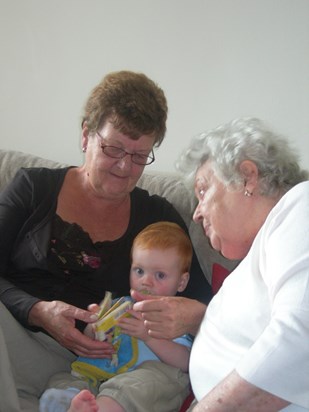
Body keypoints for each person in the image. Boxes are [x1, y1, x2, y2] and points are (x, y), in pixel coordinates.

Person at [0, 70, 211, 412]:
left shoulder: (158, 217)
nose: (124, 166)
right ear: (86, 134)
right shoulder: (32, 187)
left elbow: (205, 305)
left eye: (140, 155)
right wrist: (37, 311)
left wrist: (193, 315)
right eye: (114, 148)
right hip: (24, 345)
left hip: (106, 366)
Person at [172, 117, 308, 411]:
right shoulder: (260, 255)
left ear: (247, 176)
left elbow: (303, 335)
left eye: (203, 190)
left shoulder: (302, 204)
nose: (196, 213)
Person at [40, 221, 193, 412]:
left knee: (148, 381)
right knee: (60, 380)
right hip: (103, 378)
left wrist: (149, 336)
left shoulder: (175, 315)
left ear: (181, 282)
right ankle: (72, 402)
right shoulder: (119, 305)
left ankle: (102, 407)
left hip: (143, 386)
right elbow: (87, 345)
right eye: (139, 271)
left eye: (160, 275)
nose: (146, 281)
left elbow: (186, 362)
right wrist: (95, 327)